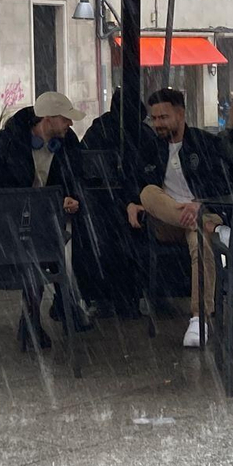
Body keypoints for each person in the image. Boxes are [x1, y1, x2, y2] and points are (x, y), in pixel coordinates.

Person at [0, 91, 88, 350]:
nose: (70, 125)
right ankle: (52, 310)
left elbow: (79, 180)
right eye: (66, 119)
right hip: (5, 230)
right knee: (41, 247)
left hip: (46, 226)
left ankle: (47, 312)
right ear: (48, 119)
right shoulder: (1, 145)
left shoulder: (69, 145)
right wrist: (22, 204)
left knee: (59, 241)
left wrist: (70, 198)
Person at [128, 87, 233, 348]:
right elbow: (135, 182)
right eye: (154, 118)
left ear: (181, 114)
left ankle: (199, 319)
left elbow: (225, 187)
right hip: (166, 219)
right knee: (148, 193)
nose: (158, 124)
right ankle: (200, 222)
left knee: (200, 241)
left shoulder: (206, 144)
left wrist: (200, 204)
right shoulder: (150, 147)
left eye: (163, 117)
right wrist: (131, 202)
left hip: (202, 214)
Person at [80, 88, 160, 318]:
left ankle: (105, 296)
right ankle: (130, 297)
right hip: (134, 205)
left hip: (102, 205)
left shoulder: (99, 129)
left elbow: (85, 164)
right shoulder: (144, 134)